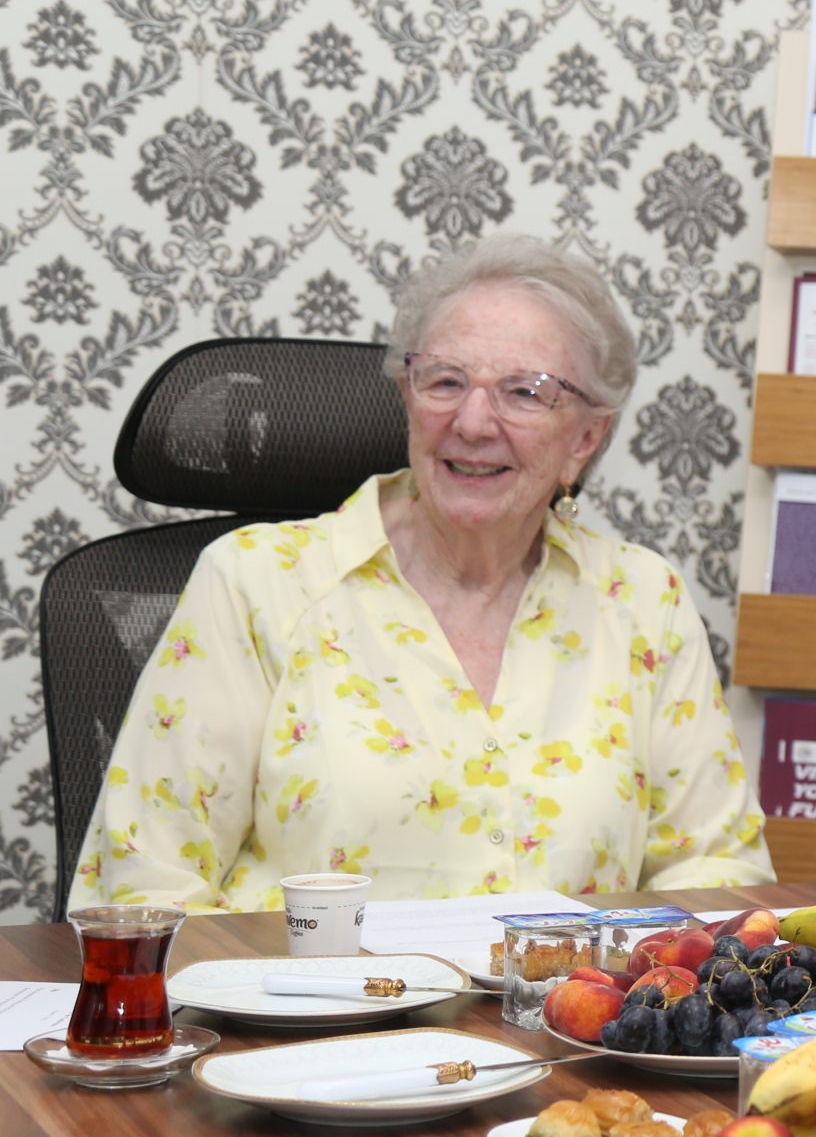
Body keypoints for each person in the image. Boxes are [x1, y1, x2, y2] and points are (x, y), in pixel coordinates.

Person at [70, 235, 774, 911]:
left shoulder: (642, 601)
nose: (473, 421)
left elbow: (717, 876)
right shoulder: (256, 583)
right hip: (306, 995)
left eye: (524, 392)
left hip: (569, 999)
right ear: (408, 397)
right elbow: (145, 887)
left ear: (585, 439)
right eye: (446, 381)